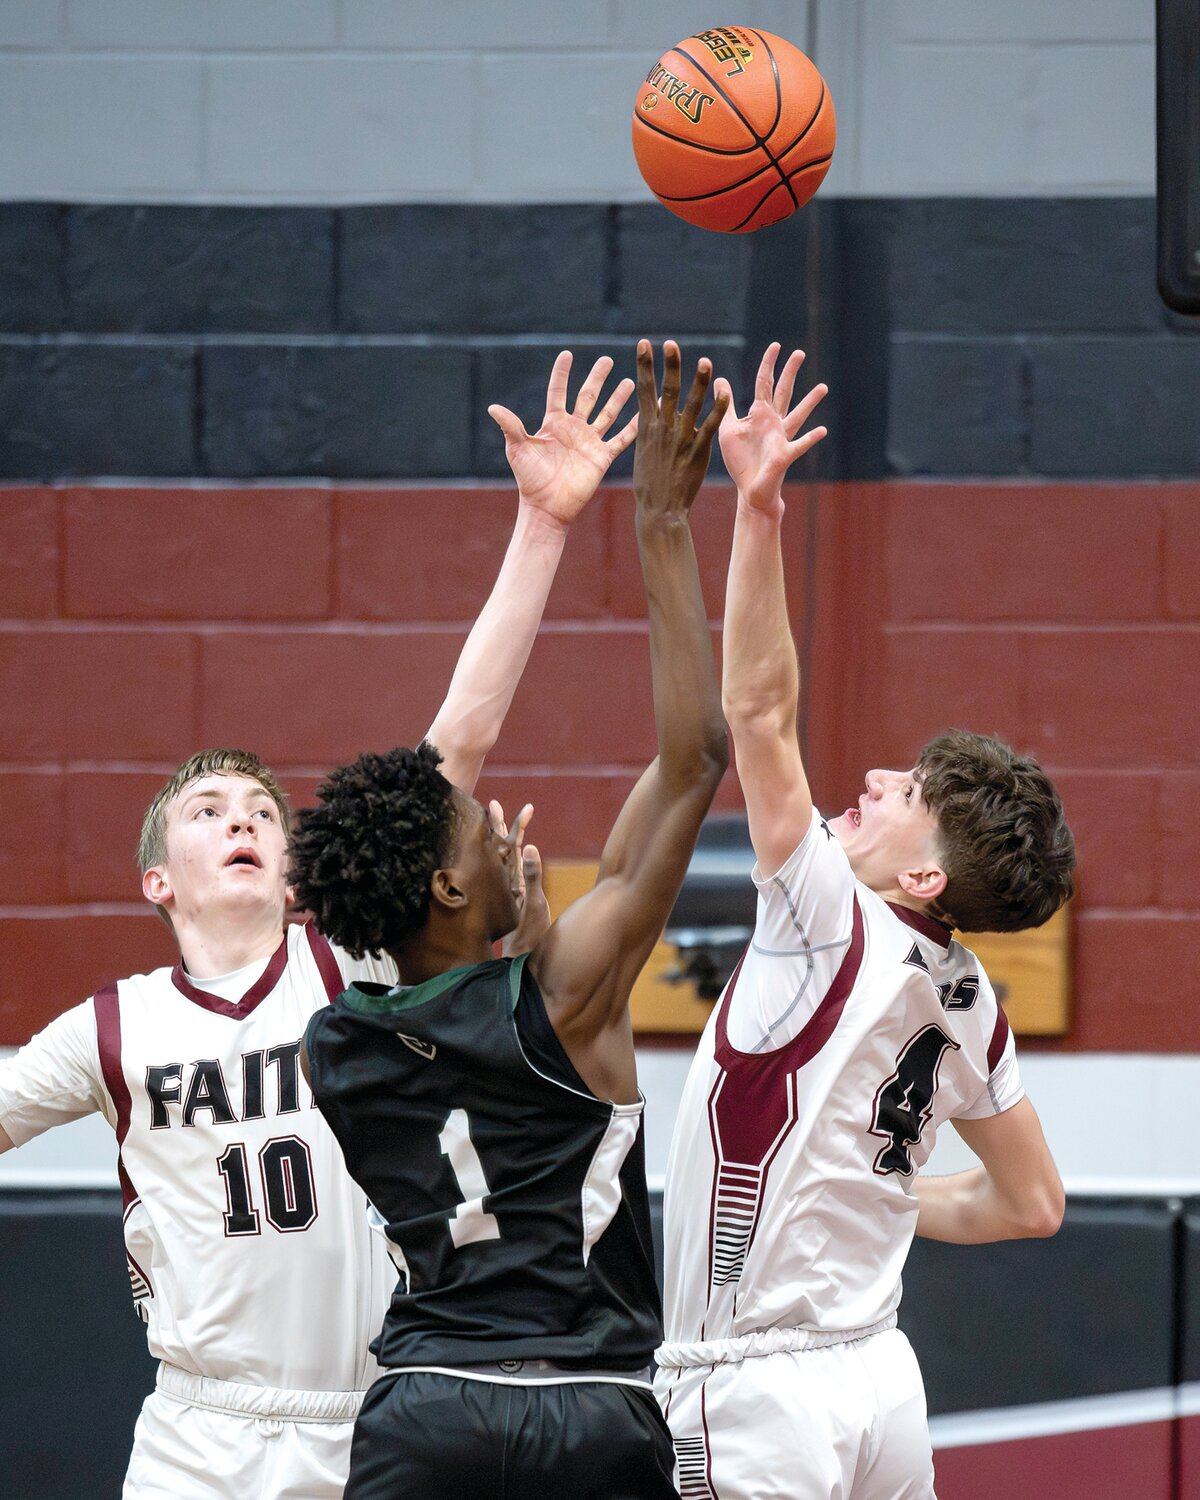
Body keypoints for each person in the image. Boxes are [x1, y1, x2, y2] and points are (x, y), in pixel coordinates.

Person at [0, 349, 639, 1500]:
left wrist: (542, 526)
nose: (242, 819)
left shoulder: (345, 959)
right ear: (159, 880)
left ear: (297, 870)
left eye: (261, 809)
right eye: (208, 812)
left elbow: (455, 747)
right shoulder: (108, 1030)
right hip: (198, 1427)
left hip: (371, 1412)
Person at [291, 342, 793, 1500]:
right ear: (452, 893)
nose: (506, 821)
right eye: (481, 833)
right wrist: (663, 523)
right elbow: (696, 757)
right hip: (584, 1403)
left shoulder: (339, 1041)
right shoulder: (565, 987)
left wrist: (499, 915)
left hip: (420, 1412)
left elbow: (426, 902)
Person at [655, 345, 1075, 1500]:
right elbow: (1033, 1205)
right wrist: (887, 1196)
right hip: (878, 1377)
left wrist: (756, 510)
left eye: (910, 796)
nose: (881, 777)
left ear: (927, 881)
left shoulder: (829, 915)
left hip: (750, 1387)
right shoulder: (970, 1001)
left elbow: (757, 707)